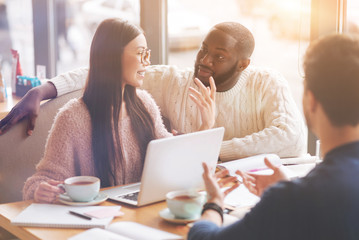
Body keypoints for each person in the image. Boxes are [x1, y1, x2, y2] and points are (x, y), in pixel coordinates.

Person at [0, 22, 306, 161]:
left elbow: (289, 138)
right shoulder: (174, 81)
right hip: (202, 185)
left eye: (219, 56)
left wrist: (212, 148)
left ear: (243, 65)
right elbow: (106, 68)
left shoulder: (266, 81)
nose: (205, 60)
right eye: (203, 49)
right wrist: (43, 90)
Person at [23, 18, 215, 203]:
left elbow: (172, 158)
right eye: (141, 53)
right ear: (112, 57)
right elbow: (42, 180)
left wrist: (205, 126)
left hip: (140, 209)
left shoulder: (144, 104)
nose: (147, 61)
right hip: (96, 217)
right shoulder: (72, 117)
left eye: (147, 53)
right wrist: (40, 190)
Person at [188, 33, 359, 240]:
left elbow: (203, 237)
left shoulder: (292, 199)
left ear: (311, 101)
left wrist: (214, 202)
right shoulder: (301, 195)